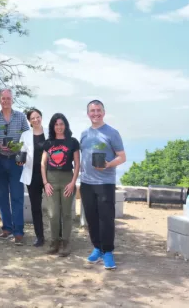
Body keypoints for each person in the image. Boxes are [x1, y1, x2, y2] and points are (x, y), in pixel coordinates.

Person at [80, 100, 126, 270]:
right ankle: (97, 248)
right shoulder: (84, 134)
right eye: (92, 111)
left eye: (98, 110)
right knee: (91, 218)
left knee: (106, 219)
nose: (95, 113)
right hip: (86, 183)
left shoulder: (112, 133)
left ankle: (108, 251)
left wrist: (107, 164)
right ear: (88, 114)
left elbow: (122, 157)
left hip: (105, 182)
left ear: (104, 112)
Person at [0, 89, 30, 245]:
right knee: (2, 197)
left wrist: (21, 154)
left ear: (12, 100)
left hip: (16, 161)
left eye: (8, 98)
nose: (6, 101)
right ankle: (7, 228)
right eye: (3, 98)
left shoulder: (20, 117)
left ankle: (18, 232)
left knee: (17, 197)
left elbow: (27, 138)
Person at [41, 113, 80, 257]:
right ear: (53, 126)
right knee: (53, 214)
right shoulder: (49, 142)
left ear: (66, 125)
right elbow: (43, 163)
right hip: (51, 180)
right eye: (56, 124)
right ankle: (54, 241)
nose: (59, 127)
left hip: (67, 179)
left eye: (61, 124)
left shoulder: (72, 142)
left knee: (66, 213)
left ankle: (66, 242)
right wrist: (45, 182)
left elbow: (77, 164)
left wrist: (72, 182)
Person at [18, 108, 48, 247]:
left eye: (38, 117)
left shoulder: (50, 132)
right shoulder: (25, 135)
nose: (36, 120)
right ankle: (39, 236)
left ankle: (57, 236)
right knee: (36, 207)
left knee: (54, 207)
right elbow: (21, 152)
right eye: (32, 118)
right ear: (29, 121)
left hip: (50, 174)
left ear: (41, 117)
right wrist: (19, 160)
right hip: (32, 174)